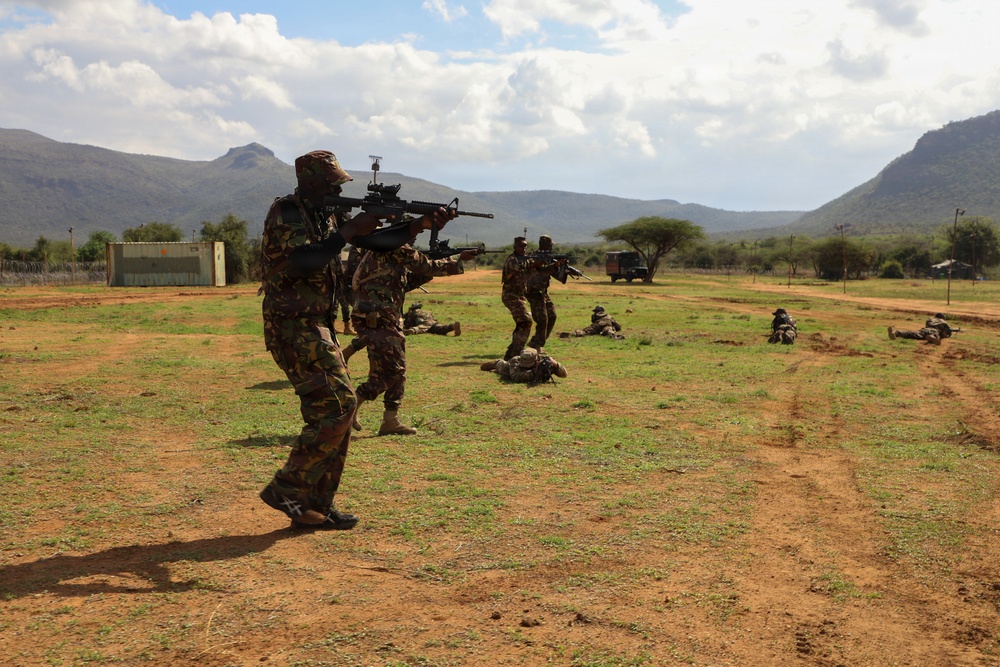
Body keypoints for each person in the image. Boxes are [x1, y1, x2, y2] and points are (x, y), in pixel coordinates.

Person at [258, 149, 456, 530]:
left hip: (318, 323)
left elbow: (374, 244)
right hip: (292, 324)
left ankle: (313, 504)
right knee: (339, 405)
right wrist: (350, 229)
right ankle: (288, 487)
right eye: (331, 183)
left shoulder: (325, 213)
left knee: (341, 410)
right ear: (310, 182)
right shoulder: (287, 211)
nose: (337, 189)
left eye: (339, 183)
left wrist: (416, 226)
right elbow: (305, 260)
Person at [342, 242, 476, 436]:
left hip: (383, 318)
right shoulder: (393, 246)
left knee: (395, 370)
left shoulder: (383, 252)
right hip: (379, 318)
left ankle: (390, 421)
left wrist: (429, 270)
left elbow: (404, 283)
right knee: (393, 371)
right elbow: (426, 266)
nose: (413, 242)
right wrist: (457, 260)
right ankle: (352, 404)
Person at [525, 234, 564, 351]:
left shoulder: (548, 258)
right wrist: (554, 265)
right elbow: (540, 271)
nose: (551, 247)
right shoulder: (533, 258)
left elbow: (554, 274)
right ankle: (536, 345)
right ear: (545, 245)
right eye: (550, 245)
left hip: (543, 292)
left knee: (552, 316)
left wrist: (562, 268)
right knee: (542, 319)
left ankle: (536, 342)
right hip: (533, 292)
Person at [501, 236, 533, 360]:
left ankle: (512, 353)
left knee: (522, 323)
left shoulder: (524, 259)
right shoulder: (513, 260)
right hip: (511, 295)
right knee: (526, 321)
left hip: (519, 296)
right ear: (515, 247)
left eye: (525, 246)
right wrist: (535, 263)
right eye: (521, 246)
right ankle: (514, 352)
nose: (524, 248)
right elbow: (522, 272)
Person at [480, 347, 568, 384]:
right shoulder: (515, 361)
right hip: (507, 369)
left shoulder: (543, 361)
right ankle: (494, 364)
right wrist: (534, 371)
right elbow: (515, 377)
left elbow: (564, 375)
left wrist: (555, 364)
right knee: (500, 365)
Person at [559, 305, 625, 340]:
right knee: (609, 331)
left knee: (585, 332)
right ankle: (613, 337)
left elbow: (593, 323)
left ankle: (573, 334)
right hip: (607, 325)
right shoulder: (609, 316)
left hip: (597, 325)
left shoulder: (595, 316)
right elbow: (618, 326)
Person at [888, 313, 957, 345]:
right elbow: (946, 333)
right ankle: (931, 337)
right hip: (934, 331)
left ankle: (895, 333)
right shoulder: (944, 322)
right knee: (935, 334)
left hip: (924, 330)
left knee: (911, 333)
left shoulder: (930, 319)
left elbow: (928, 325)